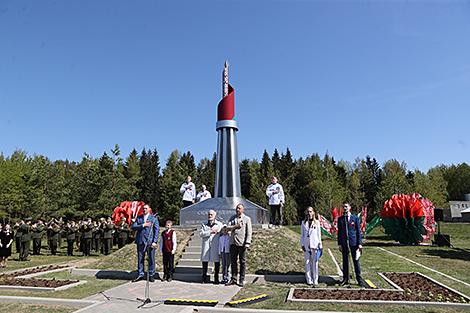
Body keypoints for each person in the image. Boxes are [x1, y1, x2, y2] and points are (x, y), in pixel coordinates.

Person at [337, 203, 366, 287]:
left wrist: (360, 244)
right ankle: (345, 279)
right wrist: (339, 243)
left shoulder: (355, 218)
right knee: (345, 261)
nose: (345, 208)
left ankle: (359, 279)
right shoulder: (341, 219)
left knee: (356, 261)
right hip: (344, 243)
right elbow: (339, 232)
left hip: (354, 243)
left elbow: (358, 232)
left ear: (350, 208)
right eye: (344, 207)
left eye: (346, 207)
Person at [226, 203, 252, 287]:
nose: (238, 210)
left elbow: (249, 232)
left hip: (242, 243)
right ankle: (233, 279)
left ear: (243, 210)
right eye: (237, 208)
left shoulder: (247, 219)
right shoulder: (232, 218)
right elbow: (227, 228)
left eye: (239, 208)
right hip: (233, 243)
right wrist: (236, 226)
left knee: (242, 262)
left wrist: (247, 243)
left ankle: (241, 279)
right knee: (233, 262)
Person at [132, 204, 159, 283]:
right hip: (140, 241)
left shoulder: (153, 218)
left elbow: (156, 230)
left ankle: (151, 274)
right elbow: (134, 226)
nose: (144, 210)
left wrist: (155, 241)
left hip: (150, 242)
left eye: (146, 208)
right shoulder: (139, 217)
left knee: (151, 259)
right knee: (140, 259)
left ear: (149, 209)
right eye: (143, 208)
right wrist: (143, 225)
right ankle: (140, 274)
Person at [300, 206, 322, 287]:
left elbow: (319, 235)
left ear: (313, 213)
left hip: (315, 245)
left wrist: (320, 245)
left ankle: (315, 279)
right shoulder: (303, 223)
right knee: (307, 262)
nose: (309, 213)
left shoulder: (317, 223)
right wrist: (302, 244)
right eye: (308, 212)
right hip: (306, 245)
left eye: (311, 211)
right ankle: (309, 279)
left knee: (315, 263)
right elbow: (302, 235)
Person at [200, 210, 223, 284]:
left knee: (216, 262)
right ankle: (204, 278)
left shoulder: (219, 224)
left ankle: (216, 278)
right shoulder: (204, 224)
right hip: (206, 245)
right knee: (205, 262)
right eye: (209, 214)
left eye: (211, 215)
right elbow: (201, 234)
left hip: (215, 245)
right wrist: (210, 232)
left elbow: (222, 231)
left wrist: (218, 231)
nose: (210, 216)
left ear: (215, 215)